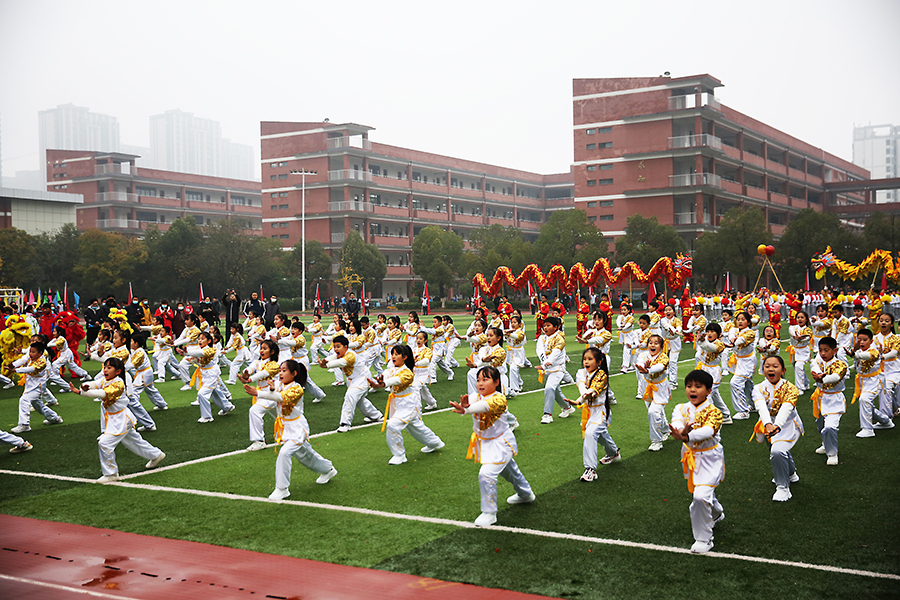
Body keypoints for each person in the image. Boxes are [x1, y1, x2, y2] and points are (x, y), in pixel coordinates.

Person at [450, 365, 535, 528]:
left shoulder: (499, 399)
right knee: (510, 471)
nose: (480, 383)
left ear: (497, 382)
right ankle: (525, 493)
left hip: (501, 444)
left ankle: (489, 513)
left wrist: (466, 410)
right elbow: (475, 403)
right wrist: (466, 407)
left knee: (486, 474)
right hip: (486, 443)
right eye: (478, 380)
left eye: (485, 379)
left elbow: (485, 407)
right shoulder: (477, 396)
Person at [245, 360, 337, 500]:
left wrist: (258, 393)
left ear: (294, 374)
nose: (280, 373)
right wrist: (269, 389)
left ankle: (282, 489)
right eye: (280, 370)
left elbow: (281, 397)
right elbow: (274, 390)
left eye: (284, 370)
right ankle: (328, 469)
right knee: (305, 455)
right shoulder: (280, 383)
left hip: (297, 428)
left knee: (284, 453)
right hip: (285, 427)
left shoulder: (297, 388)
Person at [68, 357, 165, 482]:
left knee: (104, 443)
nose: (105, 370)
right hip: (117, 418)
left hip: (121, 419)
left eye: (109, 367)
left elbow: (102, 393)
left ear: (118, 371)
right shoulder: (106, 379)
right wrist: (85, 385)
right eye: (105, 367)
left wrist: (80, 392)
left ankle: (111, 473)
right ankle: (156, 455)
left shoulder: (118, 384)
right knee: (133, 441)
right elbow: (95, 383)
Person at [668, 369, 725, 554]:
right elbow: (676, 422)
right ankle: (716, 513)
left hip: (710, 458)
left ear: (709, 390)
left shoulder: (714, 412)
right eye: (689, 386)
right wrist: (679, 432)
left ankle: (704, 539)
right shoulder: (681, 408)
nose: (692, 390)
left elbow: (709, 431)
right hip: (690, 457)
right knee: (703, 493)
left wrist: (686, 436)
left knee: (700, 496)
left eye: (698, 386)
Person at [368, 344, 444, 464]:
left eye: (397, 354)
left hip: (408, 404)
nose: (393, 356)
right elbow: (386, 375)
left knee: (393, 425)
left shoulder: (407, 372)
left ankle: (399, 455)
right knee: (416, 427)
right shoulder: (392, 369)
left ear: (404, 357)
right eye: (392, 354)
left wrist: (384, 384)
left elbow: (397, 380)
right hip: (398, 403)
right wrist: (379, 382)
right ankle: (435, 442)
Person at [751, 356, 803, 502]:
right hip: (767, 425)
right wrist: (768, 424)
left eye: (775, 366)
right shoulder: (758, 388)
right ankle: (791, 474)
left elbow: (787, 408)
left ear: (783, 370)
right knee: (776, 449)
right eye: (767, 366)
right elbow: (760, 406)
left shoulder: (791, 388)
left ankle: (782, 487)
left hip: (788, 425)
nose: (771, 369)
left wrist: (777, 425)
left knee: (777, 451)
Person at [569, 347, 620, 482]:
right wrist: (580, 399)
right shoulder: (581, 372)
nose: (586, 362)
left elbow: (592, 391)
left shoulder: (602, 375)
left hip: (600, 412)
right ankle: (614, 453)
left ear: (598, 362)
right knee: (601, 434)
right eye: (584, 359)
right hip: (588, 411)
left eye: (590, 359)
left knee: (591, 434)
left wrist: (579, 400)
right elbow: (582, 387)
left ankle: (590, 469)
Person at [318, 334, 383, 432]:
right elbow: (332, 357)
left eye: (338, 346)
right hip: (353, 379)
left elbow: (341, 362)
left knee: (350, 396)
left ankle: (345, 423)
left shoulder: (350, 355)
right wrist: (325, 361)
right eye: (334, 346)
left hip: (362, 378)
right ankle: (376, 415)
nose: (335, 349)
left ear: (345, 347)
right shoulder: (340, 354)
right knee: (360, 400)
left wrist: (326, 365)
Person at [848, 329, 894, 437]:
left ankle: (867, 429)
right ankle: (885, 421)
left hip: (875, 380)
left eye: (865, 340)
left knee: (864, 399)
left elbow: (867, 356)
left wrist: (854, 354)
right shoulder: (858, 350)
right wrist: (854, 351)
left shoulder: (874, 351)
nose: (862, 342)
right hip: (862, 380)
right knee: (866, 403)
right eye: (859, 340)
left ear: (871, 340)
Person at [11, 342, 64, 433]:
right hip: (30, 387)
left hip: (37, 388)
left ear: (40, 353)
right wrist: (12, 365)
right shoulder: (31, 357)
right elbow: (23, 359)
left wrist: (16, 370)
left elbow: (31, 369)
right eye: (30, 352)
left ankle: (24, 425)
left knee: (24, 400)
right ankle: (54, 418)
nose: (30, 354)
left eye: (33, 352)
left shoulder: (42, 361)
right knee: (39, 406)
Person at [810, 336, 847, 466]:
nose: (823, 353)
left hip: (834, 399)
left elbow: (835, 377)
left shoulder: (841, 364)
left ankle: (832, 453)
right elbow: (813, 366)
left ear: (834, 350)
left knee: (830, 427)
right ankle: (826, 444)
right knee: (820, 424)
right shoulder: (818, 359)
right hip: (820, 398)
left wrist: (822, 379)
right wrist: (818, 374)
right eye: (820, 350)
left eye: (826, 350)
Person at [187, 331, 236, 423]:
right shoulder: (201, 349)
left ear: (209, 341)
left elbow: (199, 354)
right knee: (215, 392)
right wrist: (192, 360)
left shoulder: (210, 350)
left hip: (211, 375)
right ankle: (227, 406)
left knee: (202, 394)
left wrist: (186, 353)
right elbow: (200, 362)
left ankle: (207, 417)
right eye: (199, 339)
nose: (199, 341)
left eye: (202, 339)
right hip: (205, 374)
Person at [635, 333, 670, 451]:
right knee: (656, 411)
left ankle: (656, 441)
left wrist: (647, 369)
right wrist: (641, 367)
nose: (652, 345)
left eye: (656, 343)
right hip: (647, 388)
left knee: (653, 412)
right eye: (650, 343)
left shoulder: (663, 357)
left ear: (661, 346)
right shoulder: (644, 355)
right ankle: (665, 430)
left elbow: (660, 367)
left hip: (660, 388)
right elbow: (639, 362)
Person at [539, 317, 571, 424]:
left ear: (556, 327)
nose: (545, 328)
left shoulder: (559, 339)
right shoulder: (542, 338)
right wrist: (544, 362)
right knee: (555, 391)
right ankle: (567, 407)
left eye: (548, 325)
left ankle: (547, 414)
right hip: (548, 368)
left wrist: (548, 362)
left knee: (549, 388)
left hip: (558, 369)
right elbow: (539, 350)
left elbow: (556, 353)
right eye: (544, 326)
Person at [728, 311, 757, 420]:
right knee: (748, 384)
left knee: (735, 382)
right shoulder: (735, 330)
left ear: (748, 322)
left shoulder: (750, 332)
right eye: (738, 319)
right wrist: (731, 337)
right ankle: (753, 405)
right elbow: (731, 332)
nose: (740, 321)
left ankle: (743, 411)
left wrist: (733, 341)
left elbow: (740, 340)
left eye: (743, 319)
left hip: (747, 361)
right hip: (738, 360)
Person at [789, 311, 813, 392]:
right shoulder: (793, 327)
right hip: (793, 350)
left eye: (802, 317)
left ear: (806, 319)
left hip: (803, 351)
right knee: (796, 367)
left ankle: (800, 388)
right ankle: (806, 382)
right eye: (798, 317)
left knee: (798, 366)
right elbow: (791, 331)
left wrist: (800, 339)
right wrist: (795, 336)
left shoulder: (808, 330)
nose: (800, 319)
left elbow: (807, 338)